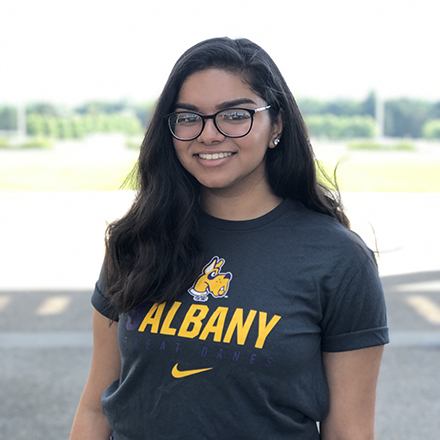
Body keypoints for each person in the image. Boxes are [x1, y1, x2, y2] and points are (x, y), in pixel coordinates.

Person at [70, 37, 389, 440]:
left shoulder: (338, 259)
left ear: (277, 125)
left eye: (235, 115)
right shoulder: (138, 238)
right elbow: (94, 408)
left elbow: (349, 432)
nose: (208, 134)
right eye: (188, 117)